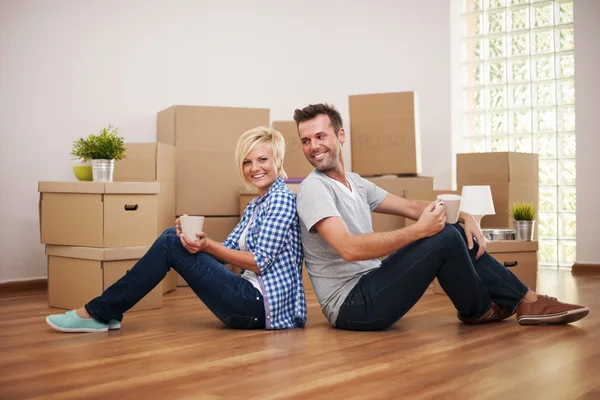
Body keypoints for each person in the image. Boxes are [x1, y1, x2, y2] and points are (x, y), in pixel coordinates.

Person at [292, 103, 589, 331]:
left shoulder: (354, 182)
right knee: (444, 237)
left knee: (451, 229)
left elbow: (410, 207)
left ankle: (523, 301)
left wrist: (463, 216)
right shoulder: (314, 190)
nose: (313, 146)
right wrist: (418, 232)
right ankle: (490, 308)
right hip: (352, 305)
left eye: (320, 136)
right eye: (306, 140)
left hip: (372, 284)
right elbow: (349, 248)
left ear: (340, 135)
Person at [46, 127, 306, 332]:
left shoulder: (281, 198)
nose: (254, 168)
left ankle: (99, 312)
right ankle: (106, 311)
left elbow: (259, 264)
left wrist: (206, 246)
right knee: (174, 238)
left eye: (262, 159)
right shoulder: (256, 205)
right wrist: (195, 240)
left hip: (262, 308)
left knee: (171, 243)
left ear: (278, 160)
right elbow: (225, 253)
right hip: (249, 299)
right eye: (247, 162)